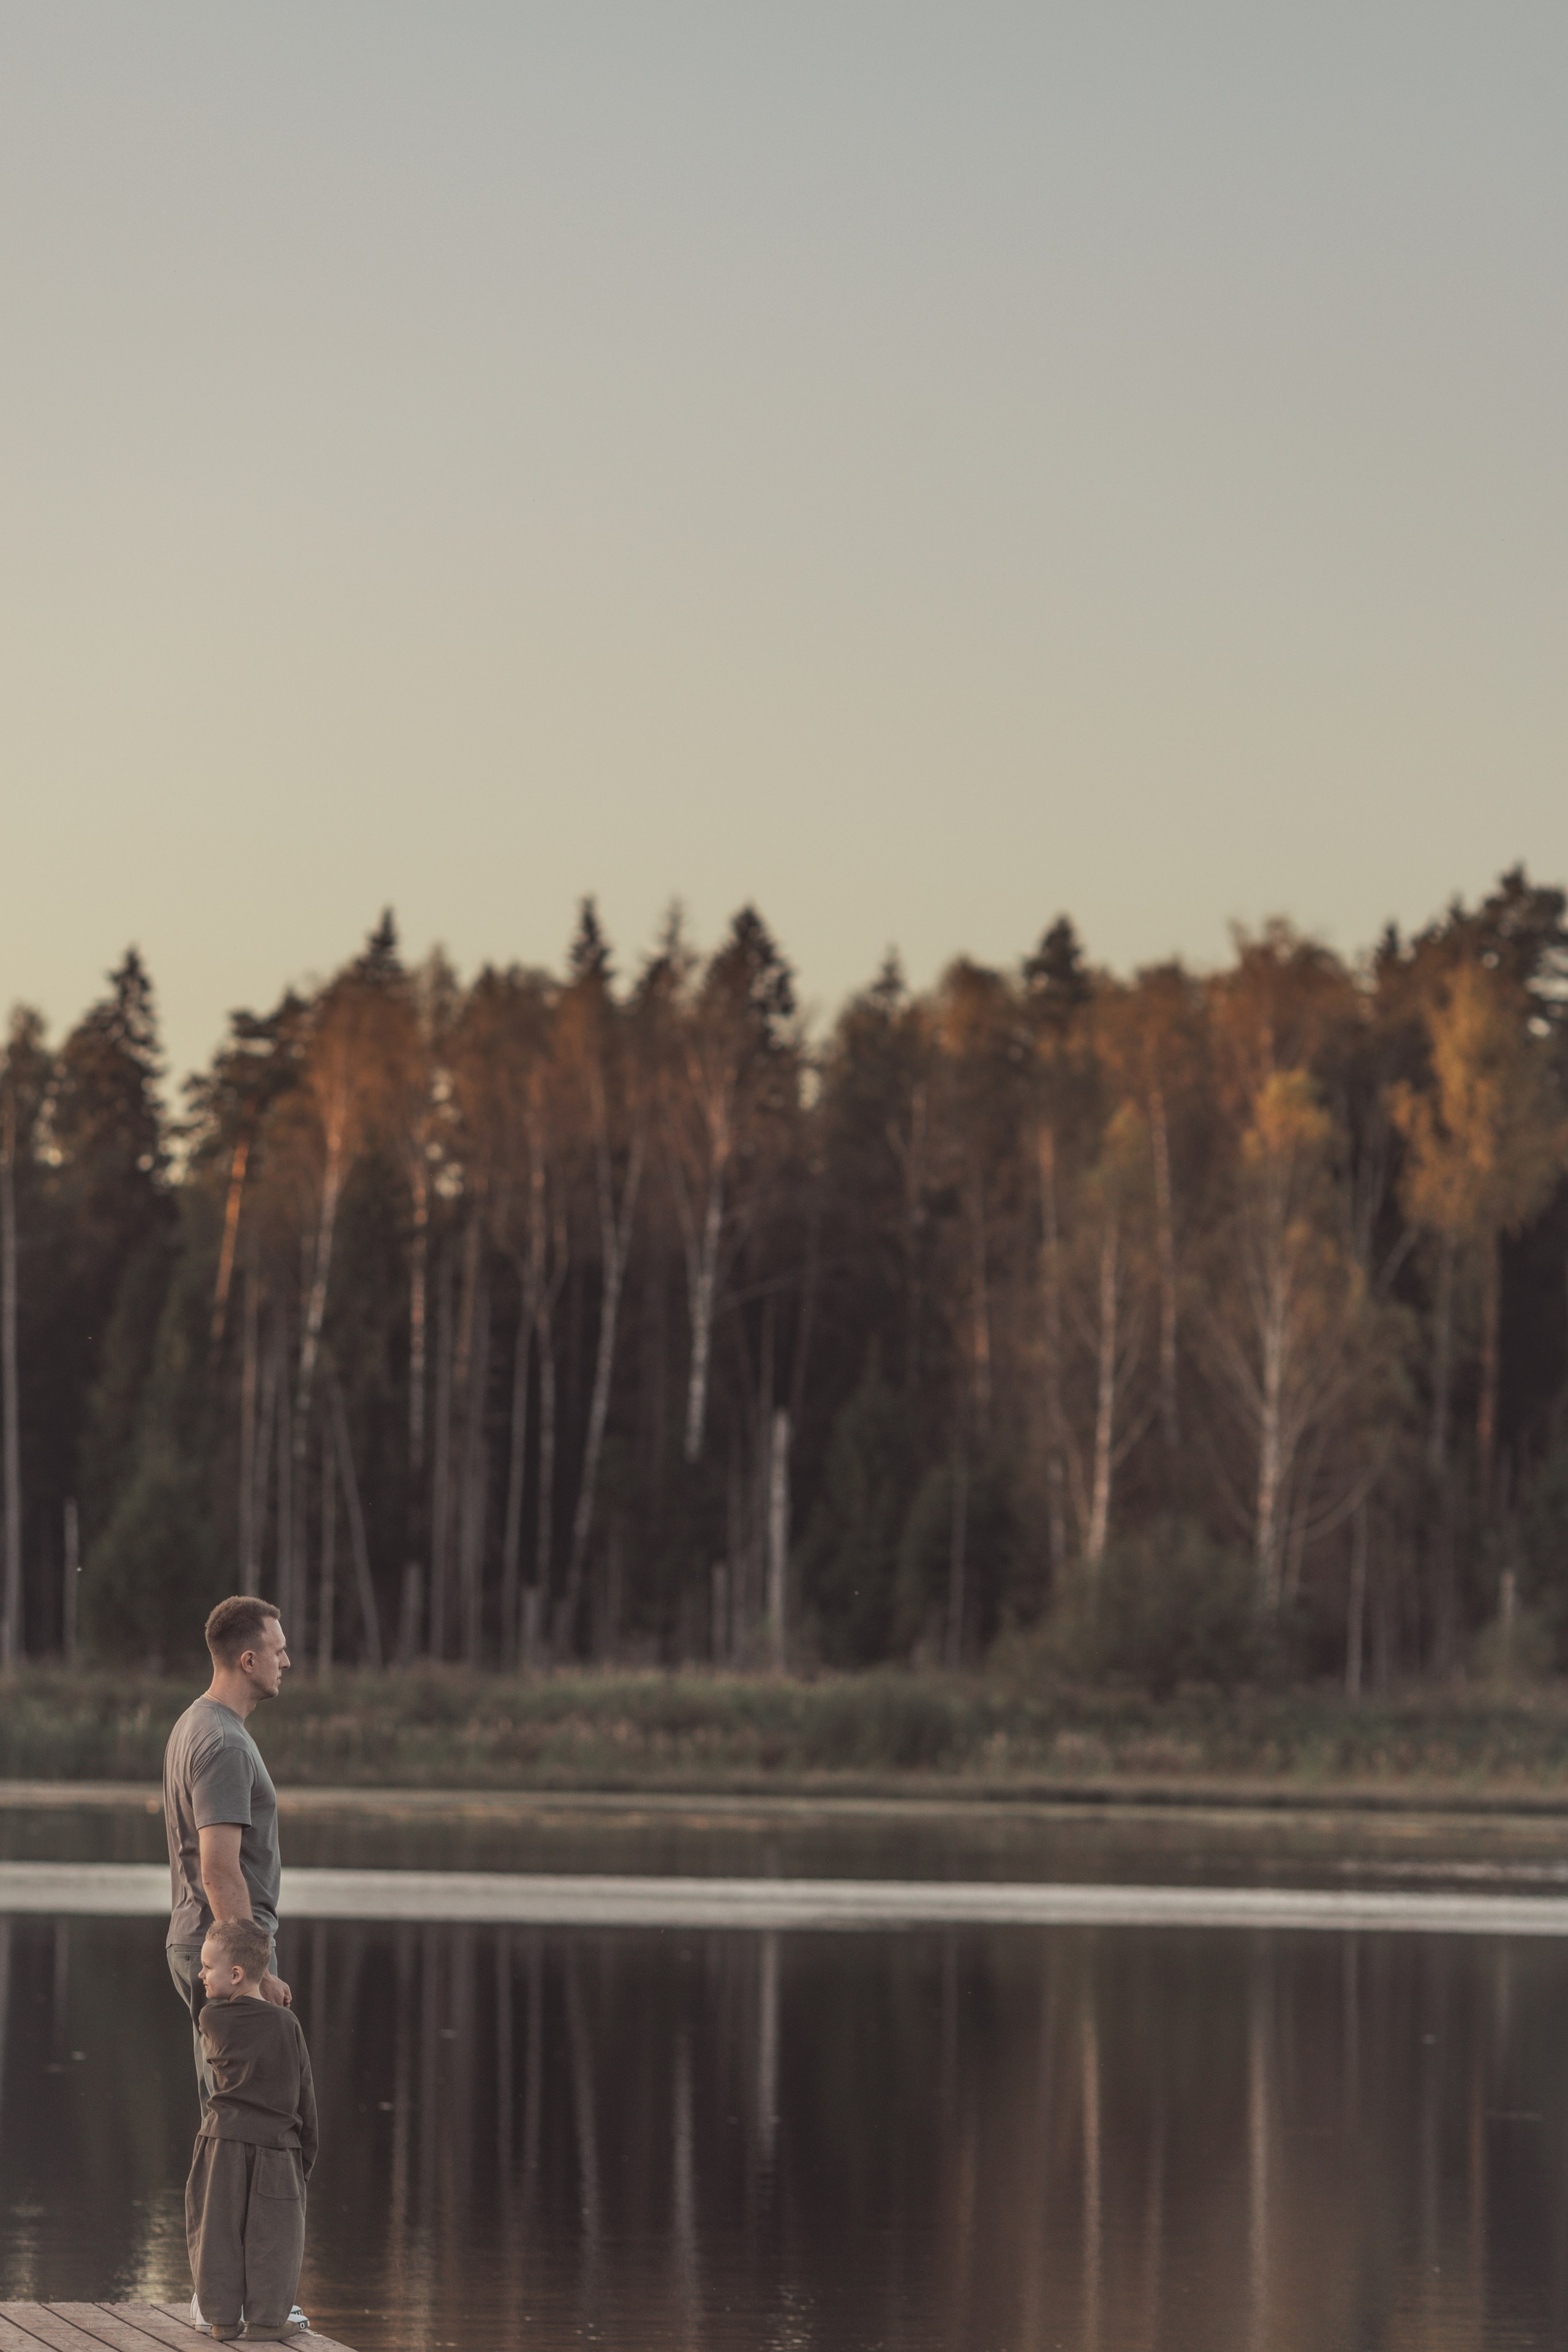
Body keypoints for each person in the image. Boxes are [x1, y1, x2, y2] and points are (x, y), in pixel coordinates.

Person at [164, 1594, 294, 2112]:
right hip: (226, 1953)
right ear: (248, 1660)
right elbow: (219, 1870)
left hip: (205, 1944)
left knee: (226, 2109)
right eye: (278, 1651)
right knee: (246, 2113)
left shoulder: (195, 1723)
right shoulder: (225, 1744)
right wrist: (256, 1973)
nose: (287, 1662)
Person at [185, 1915, 318, 2342]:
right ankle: (266, 2321)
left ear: (236, 1974)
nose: (201, 1975)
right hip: (279, 2148)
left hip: (222, 2143)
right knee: (275, 2236)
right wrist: (304, 2159)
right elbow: (305, 2095)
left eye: (208, 1967)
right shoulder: (288, 2024)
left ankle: (222, 2319)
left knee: (216, 2231)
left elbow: (205, 2003)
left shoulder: (212, 2019)